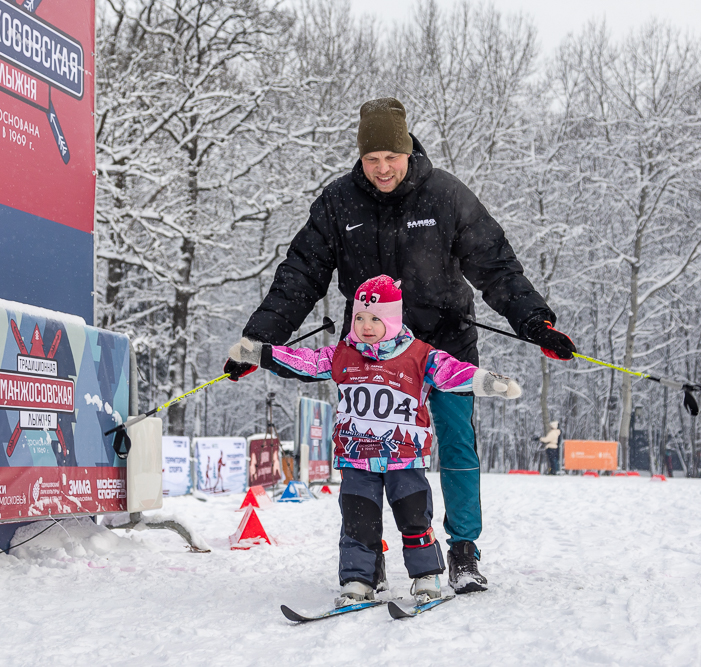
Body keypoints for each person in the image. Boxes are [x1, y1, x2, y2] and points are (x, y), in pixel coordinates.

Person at [224, 98, 575, 593]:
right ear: (360, 158)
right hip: (368, 356)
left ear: (408, 150)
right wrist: (259, 342)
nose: (382, 168)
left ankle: (463, 550)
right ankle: (371, 557)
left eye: (391, 156)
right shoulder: (338, 202)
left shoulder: (445, 196)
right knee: (370, 456)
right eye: (372, 159)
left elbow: (496, 265)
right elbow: (300, 274)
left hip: (444, 343)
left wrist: (535, 322)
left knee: (455, 444)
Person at [233, 275, 520, 604]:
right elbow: (306, 363)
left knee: (414, 520)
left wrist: (489, 381)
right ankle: (358, 581)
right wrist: (259, 353)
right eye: (360, 318)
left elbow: (454, 372)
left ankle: (426, 578)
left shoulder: (420, 355)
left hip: (404, 458)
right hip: (356, 459)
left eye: (375, 319)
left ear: (393, 320)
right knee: (358, 522)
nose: (366, 326)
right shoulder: (343, 354)